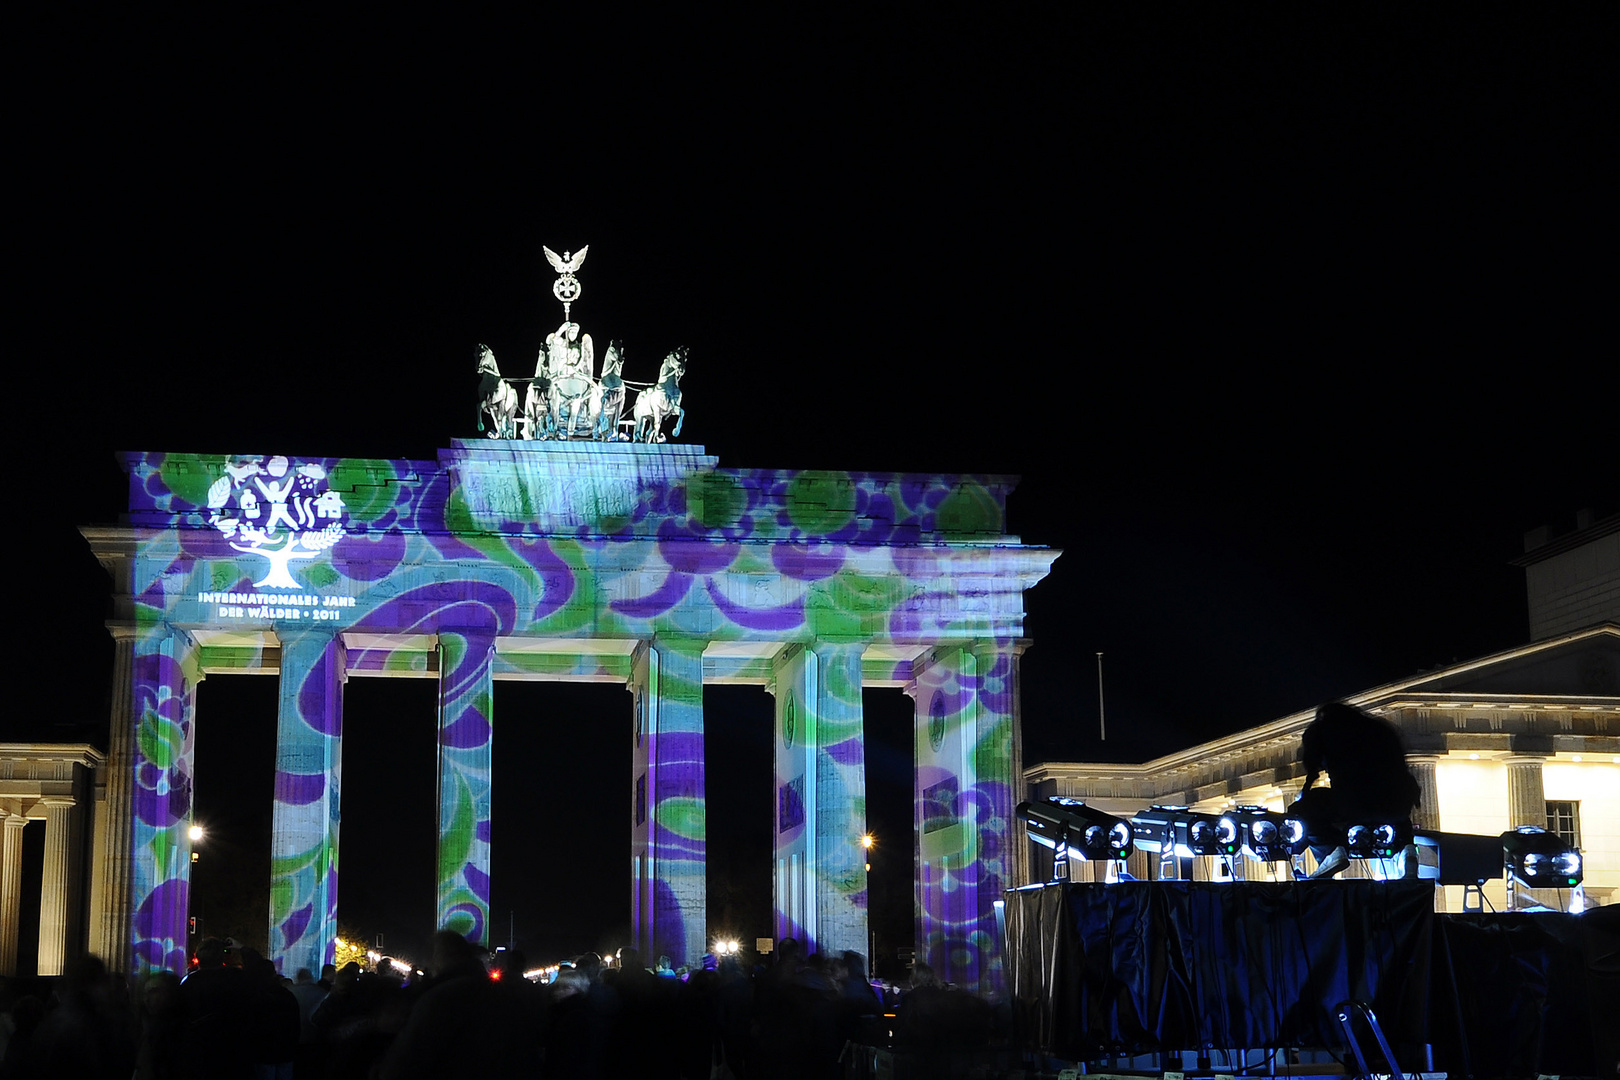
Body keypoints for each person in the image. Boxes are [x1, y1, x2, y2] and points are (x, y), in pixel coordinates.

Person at [1292, 701, 1422, 878]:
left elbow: (1311, 769)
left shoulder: (1325, 730)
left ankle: (1330, 853)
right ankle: (1407, 850)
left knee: (1302, 809)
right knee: (1395, 809)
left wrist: (1305, 799)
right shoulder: (1380, 728)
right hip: (1398, 803)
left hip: (1355, 802)